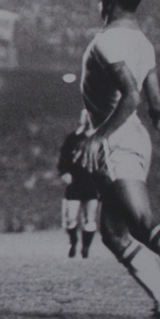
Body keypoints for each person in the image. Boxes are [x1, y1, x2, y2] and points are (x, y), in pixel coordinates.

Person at [73, 0, 160, 319]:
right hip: (133, 138)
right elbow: (157, 109)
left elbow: (131, 97)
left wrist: (97, 136)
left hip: (117, 142)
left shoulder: (108, 42)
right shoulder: (142, 43)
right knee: (114, 234)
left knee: (142, 223)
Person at [57, 110, 100, 258]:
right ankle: (73, 242)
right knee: (71, 218)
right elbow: (63, 158)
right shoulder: (73, 138)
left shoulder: (98, 137)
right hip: (75, 182)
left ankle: (86, 248)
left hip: (92, 182)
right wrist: (64, 172)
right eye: (84, 116)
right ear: (81, 118)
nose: (87, 119)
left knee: (90, 218)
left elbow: (104, 160)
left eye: (89, 116)